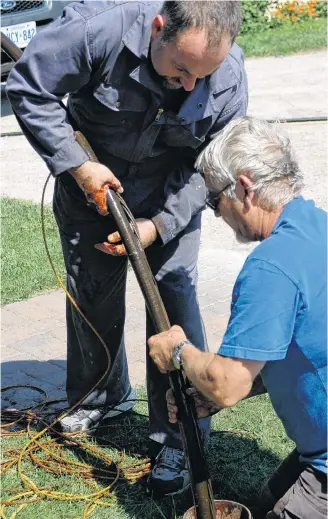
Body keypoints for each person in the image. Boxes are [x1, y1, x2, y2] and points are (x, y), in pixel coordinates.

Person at [6, 1, 248, 495]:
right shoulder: (97, 29)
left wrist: (160, 225)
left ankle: (180, 437)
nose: (189, 86)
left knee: (174, 299)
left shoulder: (227, 75)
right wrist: (75, 164)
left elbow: (213, 166)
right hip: (91, 189)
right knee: (92, 294)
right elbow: (29, 87)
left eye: (201, 76)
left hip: (170, 198)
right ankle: (99, 397)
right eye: (181, 69)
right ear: (159, 29)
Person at [148, 116, 327, 517]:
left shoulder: (272, 266)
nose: (215, 214)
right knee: (266, 502)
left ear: (244, 188)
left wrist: (180, 351)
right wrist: (209, 394)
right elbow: (305, 349)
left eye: (214, 200)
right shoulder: (318, 227)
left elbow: (226, 383)